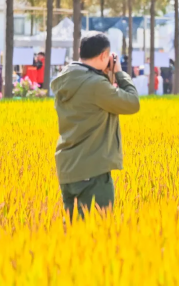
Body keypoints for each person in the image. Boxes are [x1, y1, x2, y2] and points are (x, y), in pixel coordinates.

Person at [50, 31, 140, 220]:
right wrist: (119, 73)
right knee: (97, 234)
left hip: (68, 169)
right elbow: (132, 103)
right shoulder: (95, 84)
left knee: (74, 234)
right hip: (92, 170)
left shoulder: (67, 78)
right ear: (103, 56)